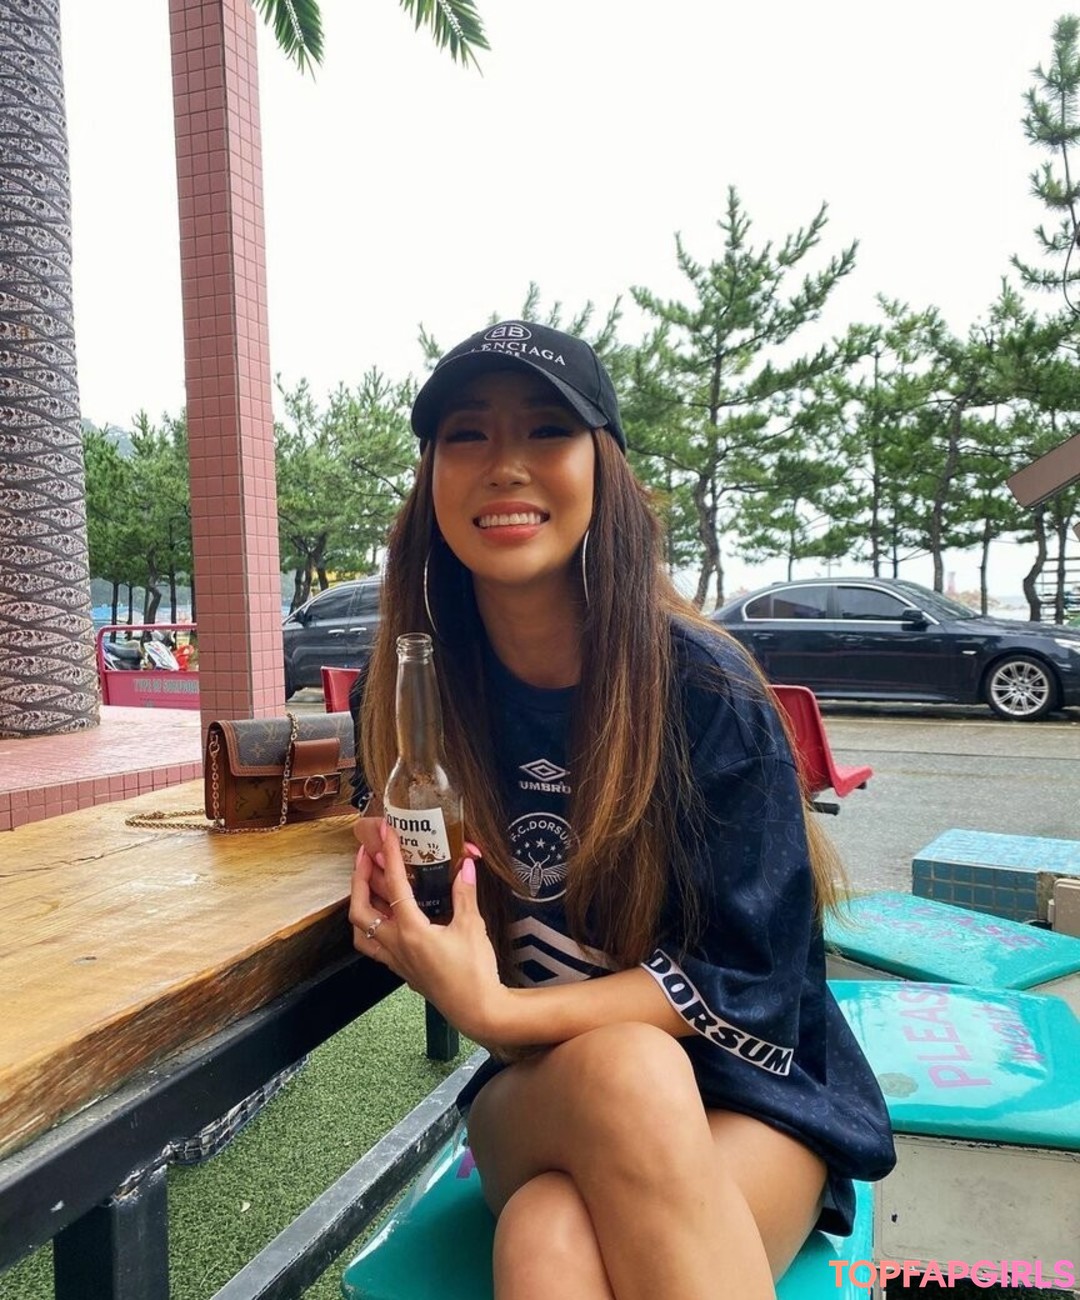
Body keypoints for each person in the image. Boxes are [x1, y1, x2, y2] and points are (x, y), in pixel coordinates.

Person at [348, 321, 895, 1300]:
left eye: (547, 429)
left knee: (549, 1238)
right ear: (430, 479)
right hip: (544, 1087)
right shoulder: (410, 701)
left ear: (604, 467)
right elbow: (422, 885)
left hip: (752, 1091)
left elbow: (749, 984)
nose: (505, 463)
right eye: (467, 434)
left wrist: (494, 1008)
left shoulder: (705, 691)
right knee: (626, 1071)